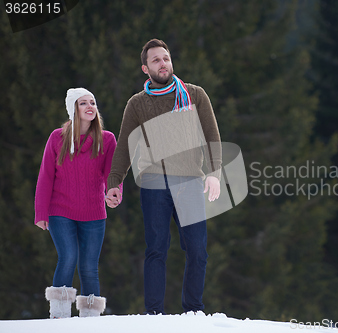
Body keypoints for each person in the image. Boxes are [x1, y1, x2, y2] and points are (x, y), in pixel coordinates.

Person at [106, 38, 222, 315]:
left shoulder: (194, 95)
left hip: (190, 181)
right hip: (154, 184)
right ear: (145, 68)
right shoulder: (137, 104)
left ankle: (193, 311)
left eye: (166, 58)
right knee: (156, 249)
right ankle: (153, 314)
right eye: (156, 60)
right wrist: (114, 182)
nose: (163, 63)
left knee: (197, 250)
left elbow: (212, 136)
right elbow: (125, 146)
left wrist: (215, 172)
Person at [34, 88, 121, 318]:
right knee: (68, 257)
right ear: (74, 109)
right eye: (83, 103)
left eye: (92, 102)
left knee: (89, 268)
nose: (90, 106)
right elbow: (45, 177)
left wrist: (114, 192)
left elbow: (112, 173)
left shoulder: (107, 139)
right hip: (60, 211)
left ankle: (90, 321)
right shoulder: (57, 138)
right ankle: (60, 316)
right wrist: (41, 212)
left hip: (94, 212)